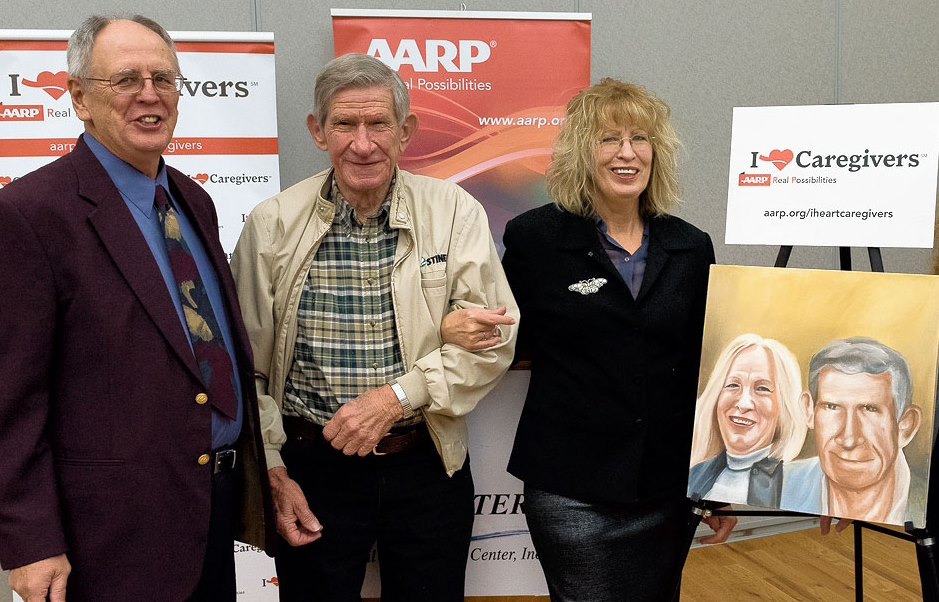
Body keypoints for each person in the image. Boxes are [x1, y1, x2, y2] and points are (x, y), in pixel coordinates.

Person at [0, 14, 273, 602]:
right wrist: (30, 540)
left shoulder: (192, 200)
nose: (150, 95)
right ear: (79, 98)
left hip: (211, 508)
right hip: (108, 539)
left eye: (164, 79)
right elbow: (10, 400)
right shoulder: (31, 214)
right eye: (126, 80)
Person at [230, 53, 518, 601]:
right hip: (311, 470)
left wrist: (395, 398)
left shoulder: (455, 211)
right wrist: (271, 466)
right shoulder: (272, 225)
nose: (362, 144)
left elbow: (494, 338)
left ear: (405, 131)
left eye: (378, 124)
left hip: (426, 463)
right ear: (318, 131)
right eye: (344, 124)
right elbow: (247, 370)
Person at [499, 78, 735, 602]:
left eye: (640, 139)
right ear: (583, 153)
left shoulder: (691, 246)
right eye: (609, 140)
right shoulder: (534, 239)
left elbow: (707, 367)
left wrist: (721, 482)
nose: (626, 153)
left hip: (668, 486)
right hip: (570, 487)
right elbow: (510, 344)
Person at [781, 338, 924, 525]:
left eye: (869, 409)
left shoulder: (924, 505)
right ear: (809, 410)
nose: (849, 439)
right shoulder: (776, 487)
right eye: (832, 407)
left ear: (906, 425)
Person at [688, 334, 807, 507]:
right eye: (733, 385)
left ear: (785, 407)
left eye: (762, 388)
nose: (743, 404)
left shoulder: (797, 484)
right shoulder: (695, 475)